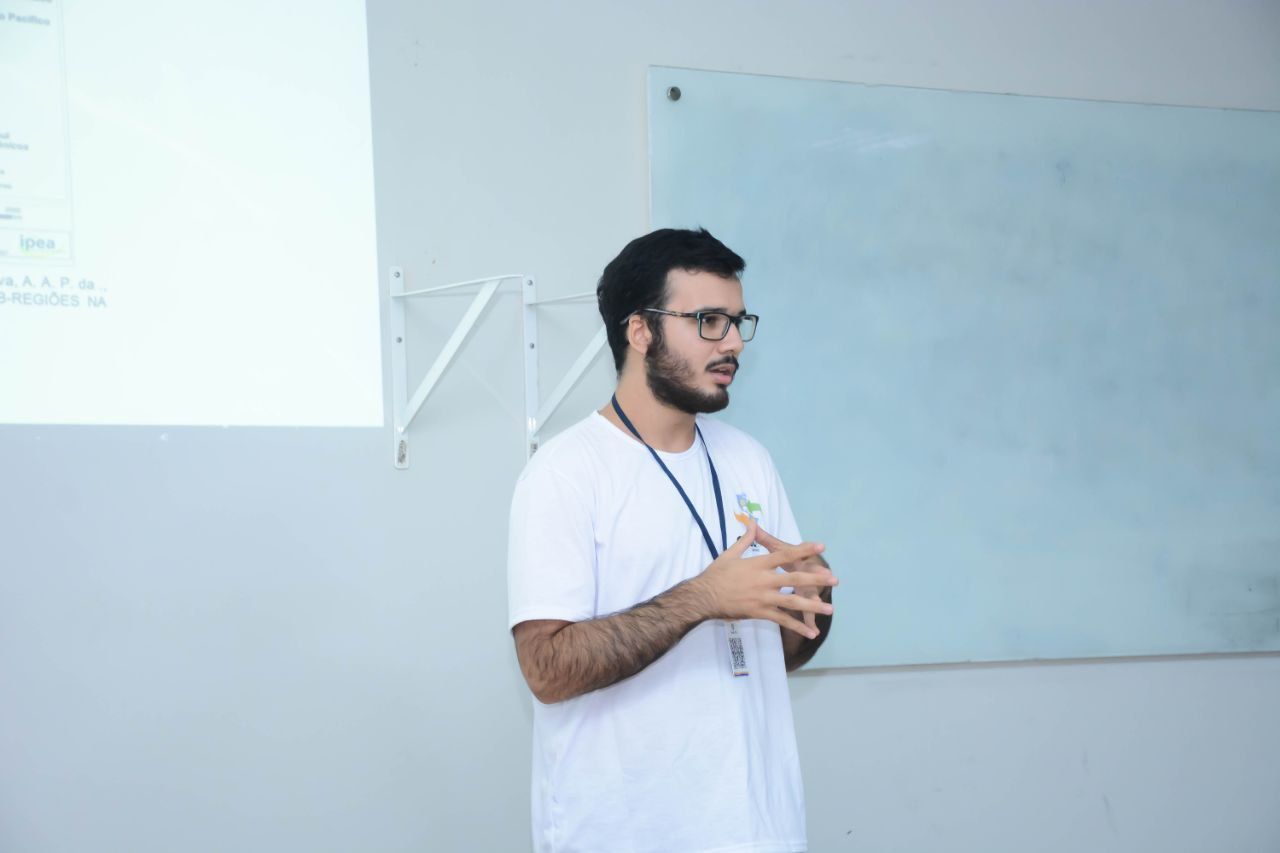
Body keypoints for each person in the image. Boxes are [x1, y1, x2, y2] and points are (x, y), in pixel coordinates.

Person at [507, 228, 837, 853]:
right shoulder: (565, 473)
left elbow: (780, 651)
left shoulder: (748, 459)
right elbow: (546, 669)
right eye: (709, 321)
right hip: (625, 833)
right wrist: (703, 598)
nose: (733, 342)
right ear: (641, 332)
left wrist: (806, 601)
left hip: (760, 830)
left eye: (738, 322)